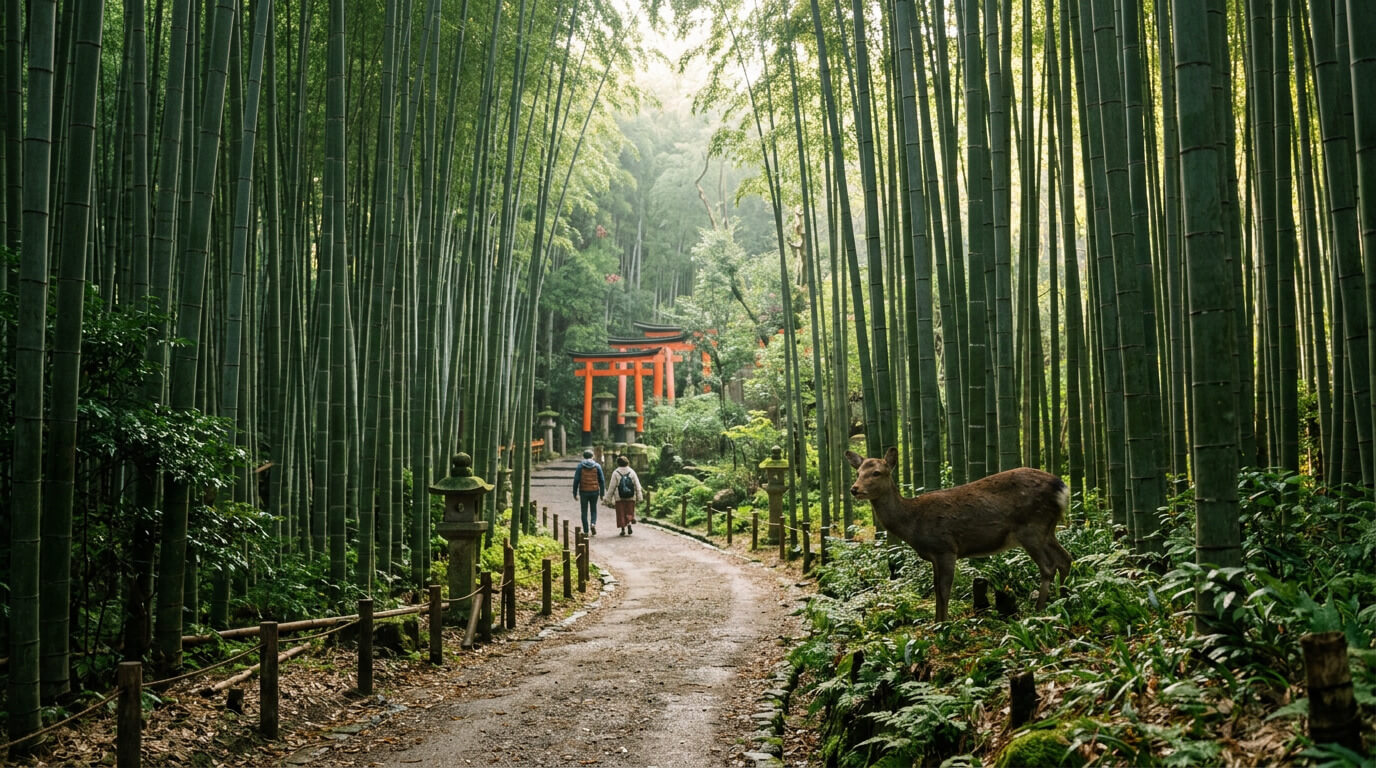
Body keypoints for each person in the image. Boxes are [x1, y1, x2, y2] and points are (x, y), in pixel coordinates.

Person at [604, 455, 644, 536]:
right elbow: (637, 485)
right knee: (629, 510)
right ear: (627, 462)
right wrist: (639, 497)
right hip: (631, 496)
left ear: (618, 463)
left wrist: (607, 499)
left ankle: (623, 529)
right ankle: (629, 523)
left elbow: (612, 487)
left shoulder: (616, 472)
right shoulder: (632, 472)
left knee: (621, 512)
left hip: (619, 497)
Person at [572, 449, 604, 536]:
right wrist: (602, 494)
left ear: (584, 456)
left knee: (584, 511)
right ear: (592, 456)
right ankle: (593, 524)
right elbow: (602, 480)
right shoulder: (597, 466)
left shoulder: (580, 466)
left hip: (584, 491)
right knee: (593, 509)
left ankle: (586, 531)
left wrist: (575, 493)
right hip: (594, 491)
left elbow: (576, 480)